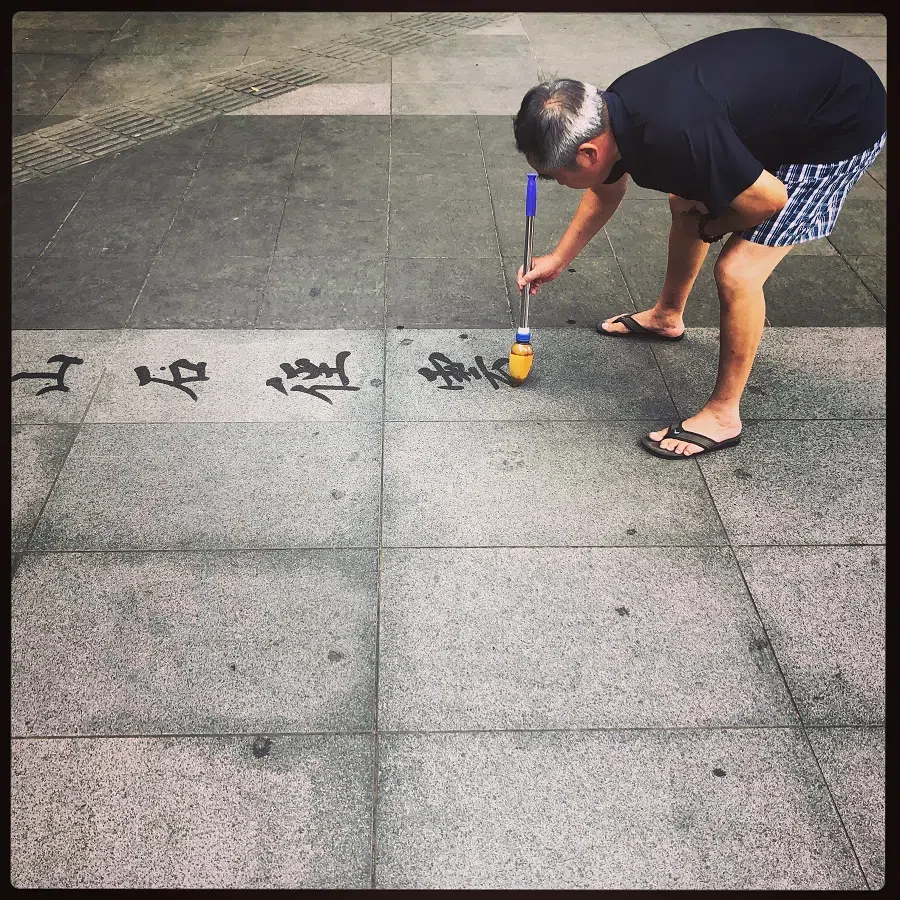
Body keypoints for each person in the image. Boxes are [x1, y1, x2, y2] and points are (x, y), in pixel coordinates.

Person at [513, 27, 886, 459]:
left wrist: (715, 225)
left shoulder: (675, 133)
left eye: (555, 175)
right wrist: (558, 259)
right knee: (685, 198)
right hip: (785, 104)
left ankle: (724, 416)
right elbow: (606, 188)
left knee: (737, 271)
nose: (554, 182)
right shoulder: (612, 112)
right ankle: (666, 316)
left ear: (589, 153)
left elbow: (768, 200)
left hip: (841, 123)